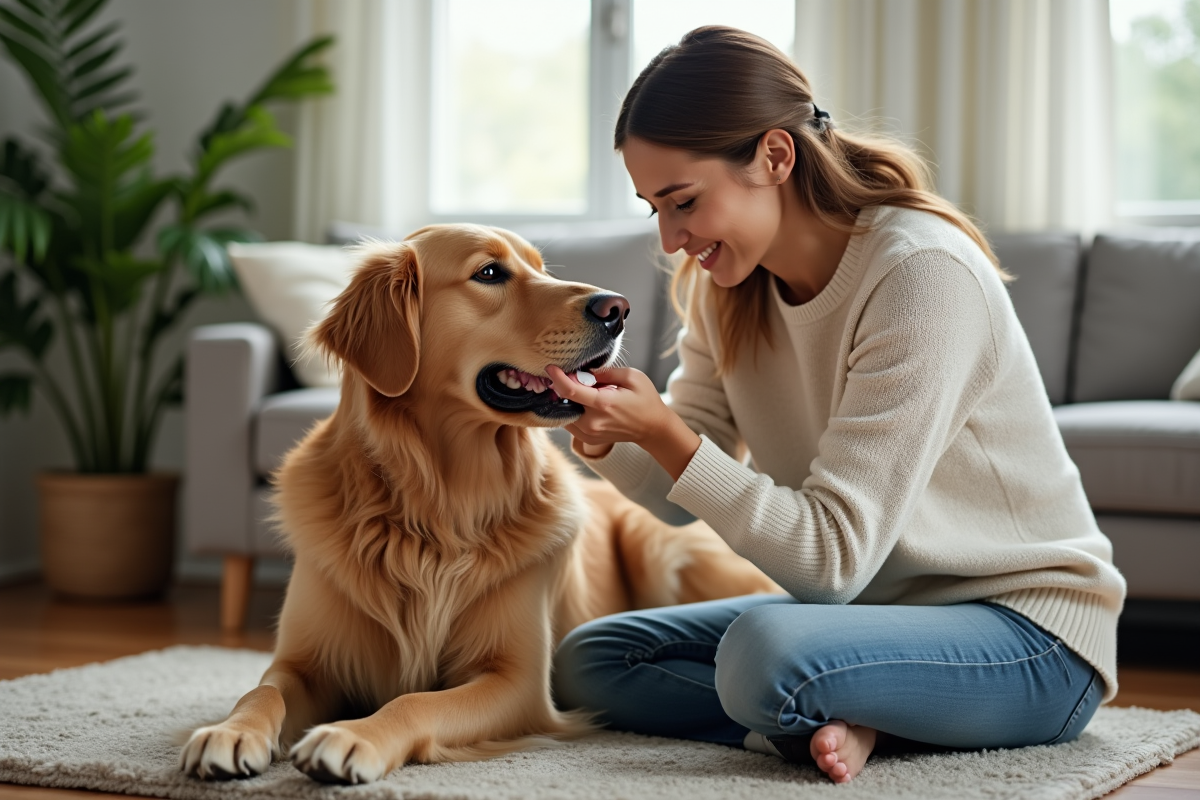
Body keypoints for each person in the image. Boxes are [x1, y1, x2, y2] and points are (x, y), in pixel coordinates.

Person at [543, 26, 1125, 785]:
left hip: (1031, 639)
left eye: (683, 201)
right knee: (594, 660)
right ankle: (841, 715)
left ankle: (828, 705)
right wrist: (605, 431)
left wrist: (669, 438)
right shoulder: (727, 293)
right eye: (654, 207)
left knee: (765, 652)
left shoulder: (920, 275)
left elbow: (830, 563)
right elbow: (682, 498)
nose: (671, 237)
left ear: (776, 157)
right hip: (875, 626)